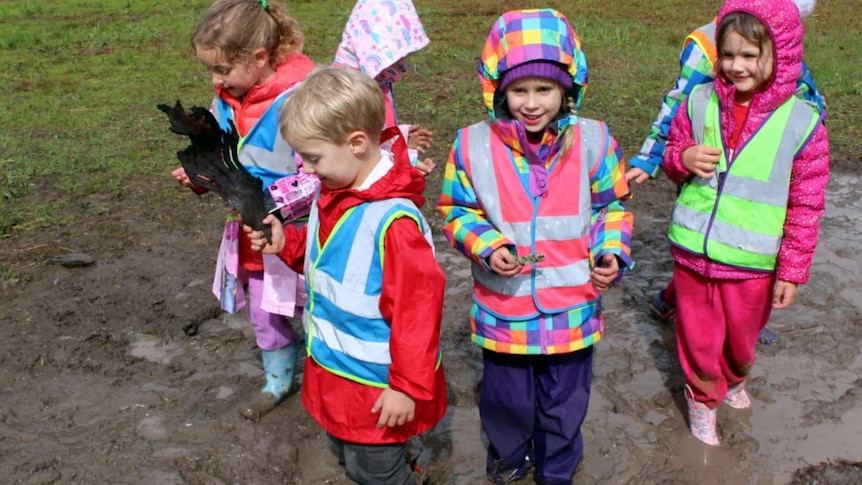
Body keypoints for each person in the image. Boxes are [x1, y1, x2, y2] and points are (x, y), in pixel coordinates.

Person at [437, 9, 634, 484]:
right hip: (504, 306)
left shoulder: (595, 140)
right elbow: (454, 210)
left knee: (566, 399)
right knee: (506, 398)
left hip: (573, 305)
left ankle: (558, 466)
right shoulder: (471, 145)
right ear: (497, 89)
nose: (530, 103)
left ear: (568, 88)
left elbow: (613, 206)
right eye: (518, 90)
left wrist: (610, 252)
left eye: (543, 90)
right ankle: (509, 456)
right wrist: (486, 244)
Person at [245, 66, 447, 485]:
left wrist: (407, 387)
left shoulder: (394, 223)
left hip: (377, 384)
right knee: (346, 454)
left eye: (313, 158)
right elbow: (330, 263)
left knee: (375, 471)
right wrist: (288, 246)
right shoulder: (333, 190)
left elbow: (417, 312)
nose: (306, 168)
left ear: (356, 143)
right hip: (336, 372)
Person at [662, 0, 829, 445]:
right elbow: (672, 151)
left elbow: (806, 204)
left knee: (740, 343)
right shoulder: (699, 101)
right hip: (693, 252)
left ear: (782, 54)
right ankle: (701, 399)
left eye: (750, 55)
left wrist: (791, 271)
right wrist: (682, 157)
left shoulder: (802, 121)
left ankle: (734, 378)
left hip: (754, 264)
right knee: (698, 337)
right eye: (728, 54)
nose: (736, 66)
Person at [629, 0, 824, 346]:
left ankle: (741, 316)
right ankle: (683, 305)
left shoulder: (779, 36)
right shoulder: (706, 43)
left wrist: (810, 130)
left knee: (743, 243)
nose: (738, 64)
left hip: (763, 164)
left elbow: (802, 85)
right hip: (708, 163)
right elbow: (678, 104)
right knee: (702, 236)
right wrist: (652, 157)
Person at [169, 0, 315, 420]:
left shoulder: (303, 97)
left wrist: (279, 208)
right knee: (264, 308)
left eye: (222, 70)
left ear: (259, 57)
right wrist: (201, 175)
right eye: (210, 71)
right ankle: (278, 380)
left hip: (306, 233)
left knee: (317, 305)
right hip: (252, 232)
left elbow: (324, 171)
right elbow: (223, 155)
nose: (215, 80)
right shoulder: (227, 99)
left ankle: (331, 374)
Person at [333, 0, 436, 174]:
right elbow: (358, 160)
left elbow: (372, 137)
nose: (402, 68)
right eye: (397, 60)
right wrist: (407, 160)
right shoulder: (348, 99)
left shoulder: (373, 84)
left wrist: (399, 135)